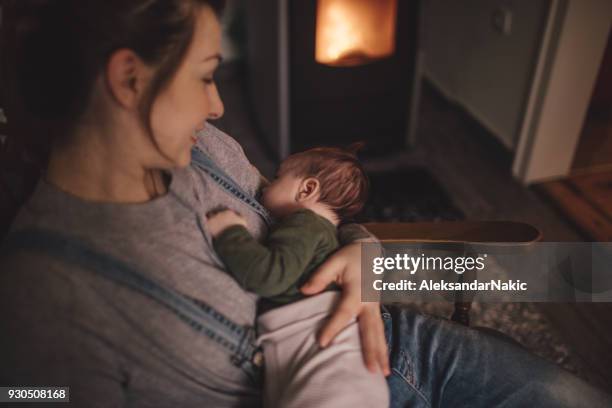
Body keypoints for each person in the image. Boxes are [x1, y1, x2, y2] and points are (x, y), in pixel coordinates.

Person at [0, 1, 610, 407]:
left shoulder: (203, 146)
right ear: (129, 79)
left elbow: (296, 213)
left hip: (393, 338)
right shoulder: (42, 295)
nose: (217, 106)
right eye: (206, 75)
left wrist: (362, 251)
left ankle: (582, 276)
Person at [206, 145, 389, 407]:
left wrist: (229, 233)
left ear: (306, 190)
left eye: (278, 177)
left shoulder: (306, 223)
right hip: (348, 374)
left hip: (332, 375)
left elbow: (270, 276)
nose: (265, 186)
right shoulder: (324, 233)